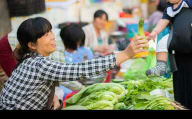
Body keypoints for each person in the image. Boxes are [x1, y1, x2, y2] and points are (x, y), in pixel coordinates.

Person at [0, 17, 147, 110]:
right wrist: (125, 54)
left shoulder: (31, 60)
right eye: (45, 35)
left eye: (50, 32)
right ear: (32, 45)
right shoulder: (38, 64)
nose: (52, 37)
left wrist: (53, 98)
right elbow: (80, 69)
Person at [3, 27, 87, 102]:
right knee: (20, 85)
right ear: (71, 41)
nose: (77, 47)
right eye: (77, 44)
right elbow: (62, 76)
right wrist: (82, 88)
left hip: (20, 42)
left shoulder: (61, 33)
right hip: (8, 46)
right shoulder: (56, 47)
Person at [59, 24, 94, 99]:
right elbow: (64, 80)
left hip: (80, 85)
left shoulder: (85, 51)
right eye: (77, 42)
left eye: (80, 42)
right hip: (66, 91)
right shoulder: (60, 54)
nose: (78, 44)